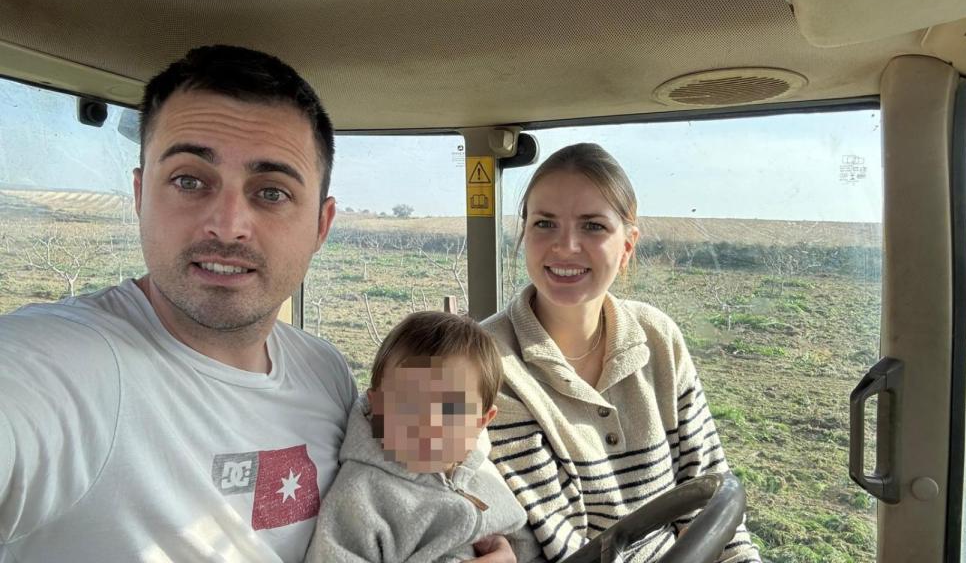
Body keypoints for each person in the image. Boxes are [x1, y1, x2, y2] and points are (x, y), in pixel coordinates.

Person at [0, 45, 514, 563]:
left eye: (271, 192)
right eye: (188, 180)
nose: (227, 225)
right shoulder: (56, 369)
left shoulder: (325, 372)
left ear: (321, 226)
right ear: (139, 197)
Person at [483, 143, 762, 562]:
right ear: (524, 235)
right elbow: (564, 547)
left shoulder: (658, 337)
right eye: (545, 223)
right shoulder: (490, 363)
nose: (565, 246)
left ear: (627, 246)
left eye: (593, 226)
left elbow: (710, 495)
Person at [307, 311, 539, 563]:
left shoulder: (484, 477)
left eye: (449, 409)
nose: (427, 423)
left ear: (480, 422)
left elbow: (524, 545)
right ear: (376, 408)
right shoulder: (361, 497)